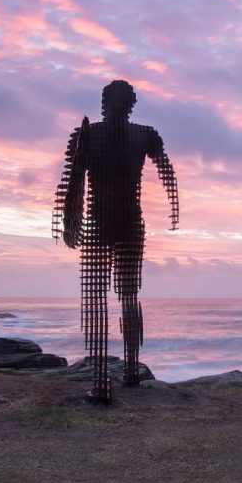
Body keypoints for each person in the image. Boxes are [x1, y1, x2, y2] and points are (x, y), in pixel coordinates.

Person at [56, 79, 178, 402]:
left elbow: (71, 184)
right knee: (123, 296)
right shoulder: (131, 135)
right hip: (121, 222)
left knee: (107, 298)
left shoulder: (92, 135)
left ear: (108, 104)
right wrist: (174, 207)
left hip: (107, 222)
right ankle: (126, 371)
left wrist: (70, 223)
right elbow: (167, 172)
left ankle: (108, 378)